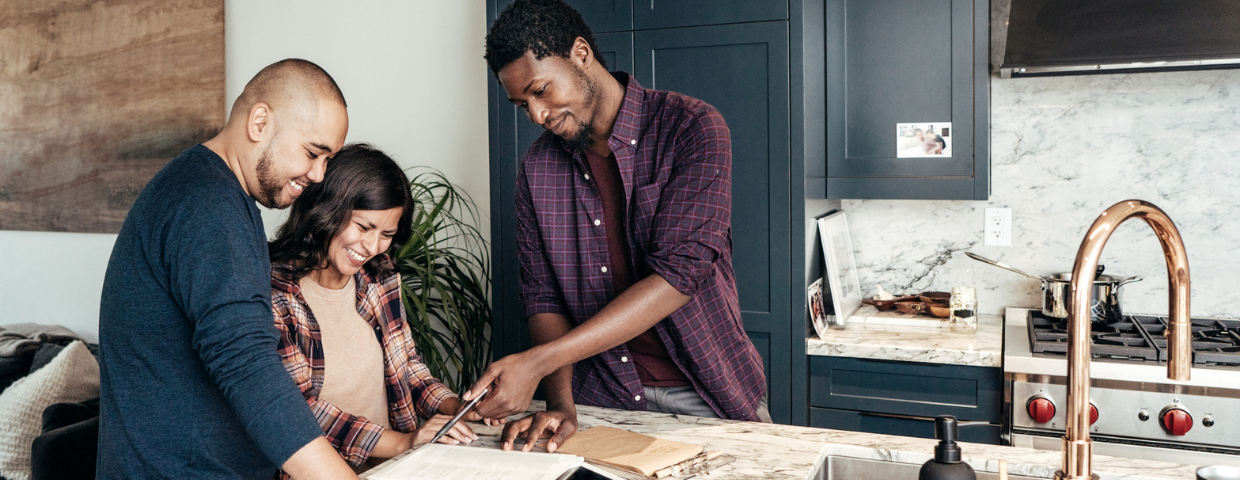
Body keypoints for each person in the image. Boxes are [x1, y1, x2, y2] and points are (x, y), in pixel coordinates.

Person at [466, 0, 769, 454]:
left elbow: (678, 277)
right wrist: (561, 403)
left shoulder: (692, 128)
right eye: (521, 103)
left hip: (710, 391)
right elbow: (544, 296)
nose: (536, 115)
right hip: (601, 399)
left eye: (541, 90)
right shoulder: (537, 169)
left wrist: (536, 362)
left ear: (581, 54)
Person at [97, 59, 361, 479]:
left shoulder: (208, 191)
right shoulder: (209, 206)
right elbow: (244, 362)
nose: (318, 174)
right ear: (260, 122)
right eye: (313, 153)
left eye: (328, 159)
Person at [267, 144, 479, 476]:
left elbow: (407, 366)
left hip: (396, 470)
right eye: (363, 227)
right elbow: (298, 414)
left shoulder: (379, 277)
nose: (371, 246)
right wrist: (404, 442)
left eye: (387, 234)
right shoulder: (273, 294)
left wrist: (457, 408)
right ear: (326, 209)